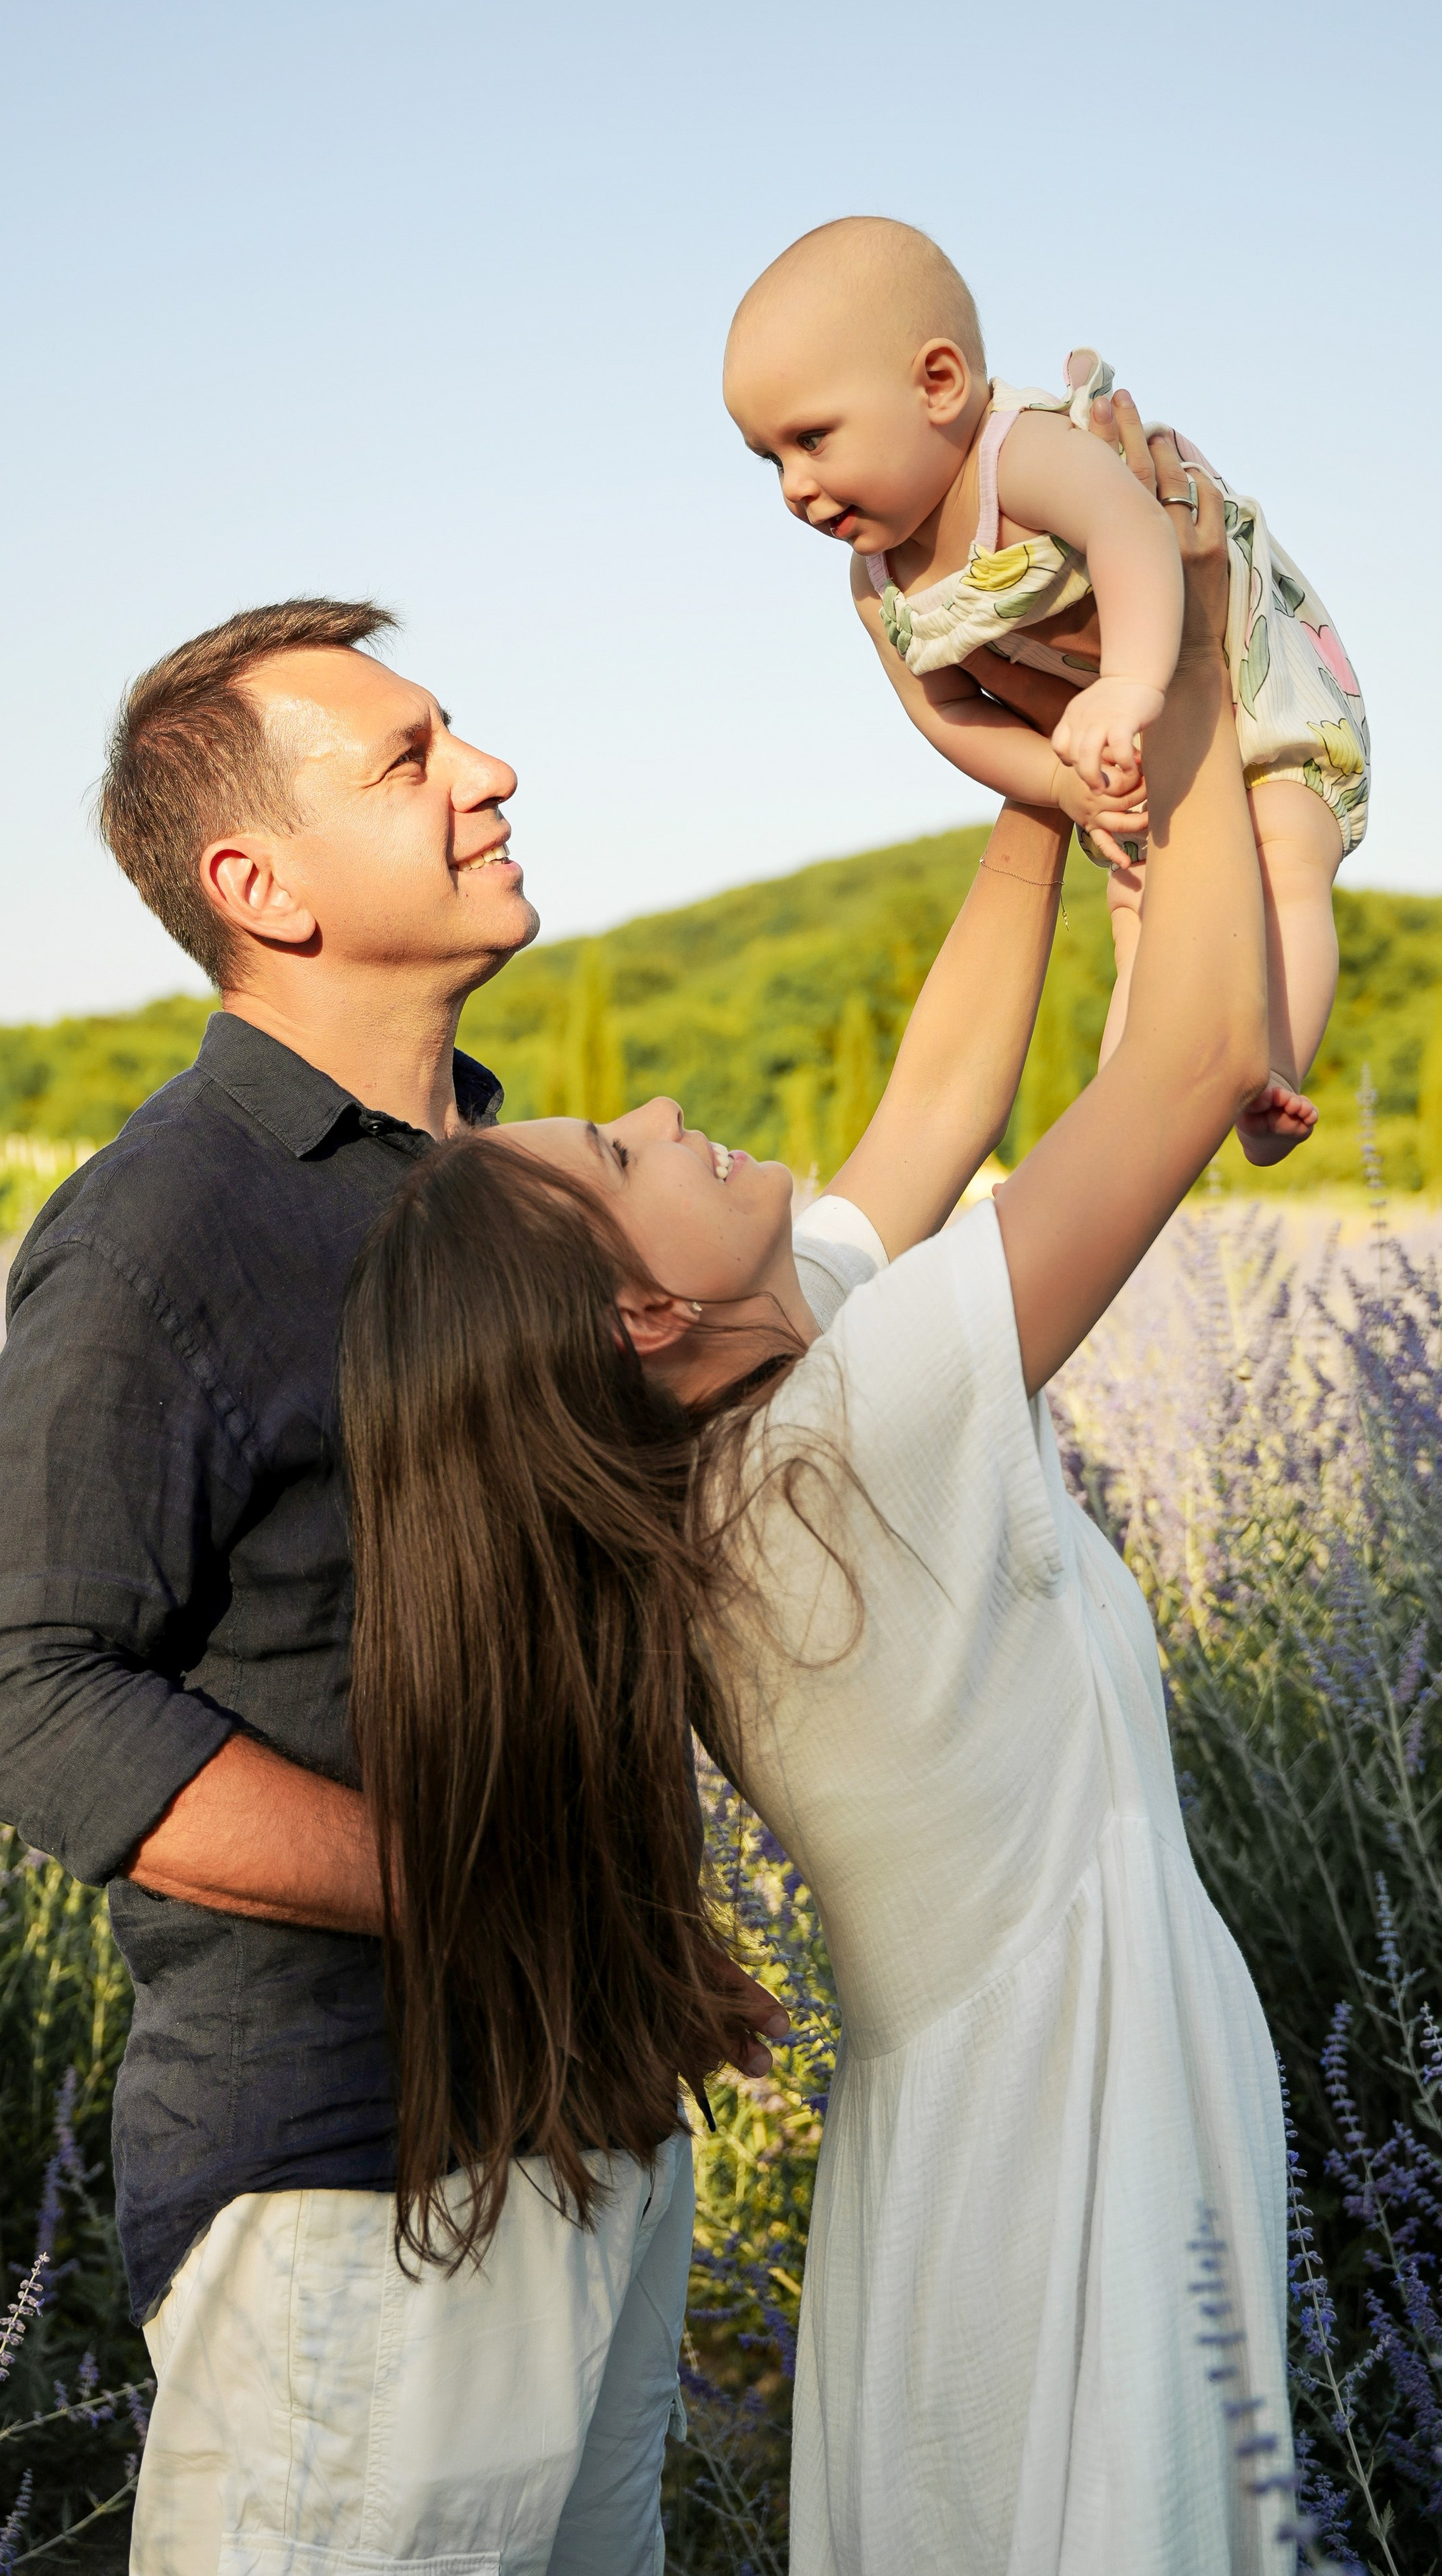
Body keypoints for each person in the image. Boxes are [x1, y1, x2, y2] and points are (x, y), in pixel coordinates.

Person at [344, 407, 1291, 2572]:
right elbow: (1196, 1055)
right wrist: (1185, 643)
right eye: (619, 1154)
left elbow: (941, 1099)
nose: (666, 1110)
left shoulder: (756, 1432)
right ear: (639, 1315)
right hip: (1065, 2128)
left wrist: (1033, 795)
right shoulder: (851, 1438)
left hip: (984, 2126)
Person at [0, 597, 785, 2574]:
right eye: (408, 761)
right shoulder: (166, 1225)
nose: (487, 775)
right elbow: (16, 1691)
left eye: (453, 734)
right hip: (358, 2185)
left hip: (603, 2131)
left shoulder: (515, 1178)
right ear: (262, 887)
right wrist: (475, 1882)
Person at [723, 214, 1371, 1163]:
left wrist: (1129, 683)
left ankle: (1267, 1070)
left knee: (1285, 862)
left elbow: (1134, 530)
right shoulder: (879, 586)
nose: (793, 485)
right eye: (770, 458)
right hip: (1134, 763)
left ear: (938, 385)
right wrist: (1060, 783)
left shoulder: (1017, 455)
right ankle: (1137, 1119)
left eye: (812, 438)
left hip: (1256, 696)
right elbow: (945, 712)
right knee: (1138, 915)